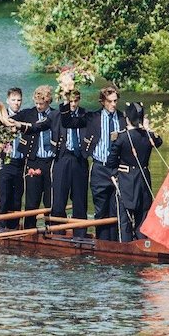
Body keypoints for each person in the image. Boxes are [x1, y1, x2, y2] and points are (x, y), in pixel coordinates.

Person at [60, 86, 126, 241]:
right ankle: (102, 242)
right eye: (110, 101)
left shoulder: (123, 118)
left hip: (117, 169)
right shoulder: (92, 117)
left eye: (115, 101)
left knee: (116, 208)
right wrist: (65, 101)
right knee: (101, 208)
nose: (113, 104)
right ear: (102, 101)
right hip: (99, 168)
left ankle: (115, 242)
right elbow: (68, 122)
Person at [106, 102, 163, 241]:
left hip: (126, 182)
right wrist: (147, 128)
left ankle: (125, 247)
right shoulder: (148, 136)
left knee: (124, 220)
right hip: (144, 180)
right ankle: (142, 244)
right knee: (143, 217)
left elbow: (111, 161)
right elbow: (159, 142)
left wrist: (114, 175)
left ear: (127, 119)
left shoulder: (122, 137)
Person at [12, 85, 55, 229]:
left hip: (50, 162)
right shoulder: (28, 113)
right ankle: (29, 230)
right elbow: (11, 119)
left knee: (50, 201)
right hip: (33, 161)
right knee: (31, 201)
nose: (38, 106)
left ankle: (51, 230)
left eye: (41, 104)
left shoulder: (55, 115)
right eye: (36, 103)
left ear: (48, 101)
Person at [49, 89, 89, 237]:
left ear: (79, 100)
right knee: (59, 200)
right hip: (62, 158)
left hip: (79, 159)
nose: (72, 104)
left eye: (75, 101)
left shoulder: (85, 114)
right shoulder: (57, 115)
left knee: (80, 200)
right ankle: (58, 233)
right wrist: (21, 126)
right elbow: (39, 126)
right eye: (70, 101)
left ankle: (80, 235)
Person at [0, 87, 27, 229]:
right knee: (4, 198)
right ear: (8, 101)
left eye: (19, 100)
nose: (16, 103)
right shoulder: (0, 117)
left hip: (20, 163)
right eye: (13, 100)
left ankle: (14, 229)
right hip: (5, 162)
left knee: (17, 199)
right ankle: (0, 229)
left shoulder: (25, 117)